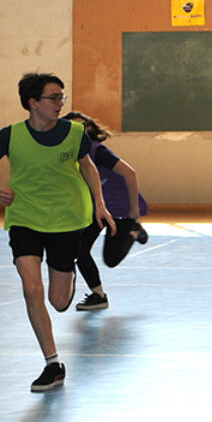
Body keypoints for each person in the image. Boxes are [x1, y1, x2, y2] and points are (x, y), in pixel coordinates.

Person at [0, 72, 116, 392]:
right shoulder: (9, 136)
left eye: (62, 97)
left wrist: (100, 205)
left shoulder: (75, 133)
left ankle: (68, 281)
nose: (60, 103)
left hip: (66, 220)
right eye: (54, 98)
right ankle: (52, 364)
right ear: (33, 103)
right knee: (31, 288)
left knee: (59, 301)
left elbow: (88, 166)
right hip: (25, 219)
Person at [65, 111, 149, 311]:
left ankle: (134, 230)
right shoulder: (67, 156)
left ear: (89, 131)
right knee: (79, 250)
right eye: (72, 128)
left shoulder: (97, 151)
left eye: (82, 128)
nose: (78, 132)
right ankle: (98, 295)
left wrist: (133, 209)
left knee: (111, 260)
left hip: (120, 208)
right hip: (97, 209)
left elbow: (130, 173)